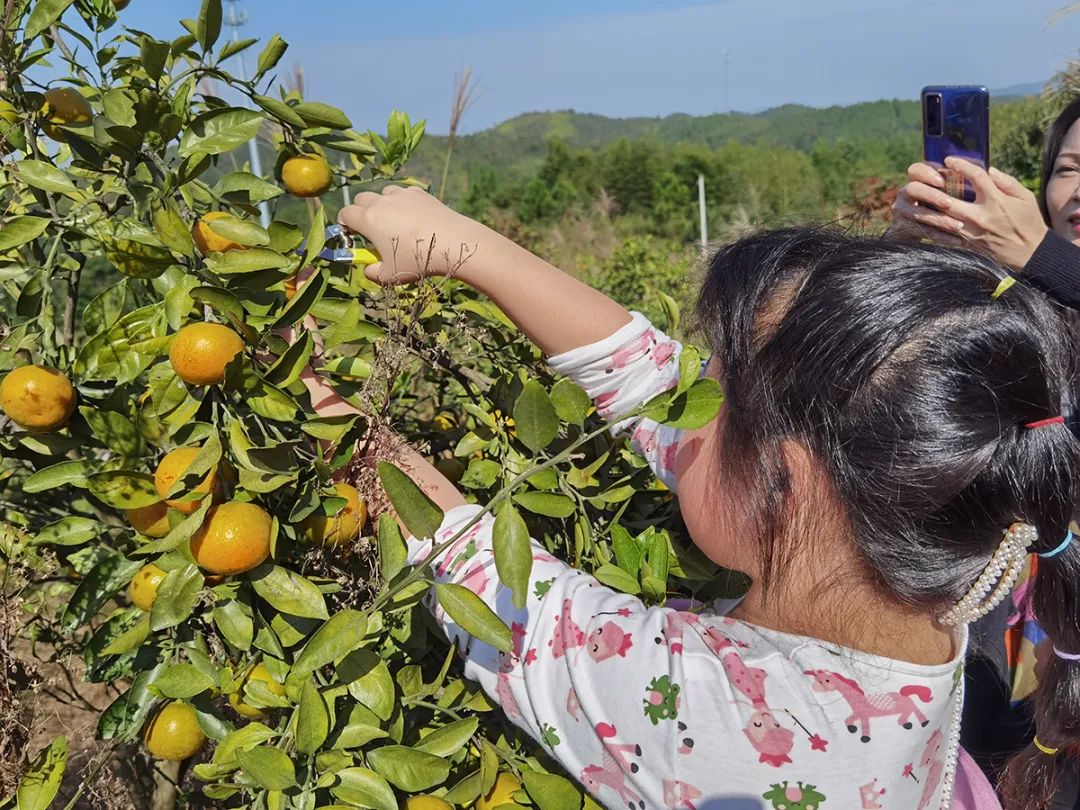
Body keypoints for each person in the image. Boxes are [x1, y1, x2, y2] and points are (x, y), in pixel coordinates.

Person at [324, 188, 1079, 810]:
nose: (681, 406)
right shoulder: (933, 589)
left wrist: (304, 395)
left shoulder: (726, 723)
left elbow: (472, 571)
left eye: (710, 396)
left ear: (782, 487)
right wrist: (464, 245)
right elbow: (648, 381)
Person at [890, 98, 1080, 309]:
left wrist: (1040, 253)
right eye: (1069, 169)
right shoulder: (1002, 294)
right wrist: (895, 251)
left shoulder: (1032, 260)